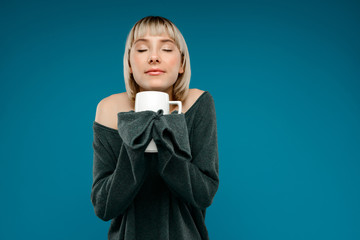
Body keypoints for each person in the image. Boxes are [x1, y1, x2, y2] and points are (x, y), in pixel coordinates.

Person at [91, 16, 219, 240]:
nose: (153, 57)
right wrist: (137, 140)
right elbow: (104, 206)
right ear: (130, 64)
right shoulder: (109, 108)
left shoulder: (199, 102)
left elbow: (203, 194)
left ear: (181, 64)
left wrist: (165, 136)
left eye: (167, 48)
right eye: (141, 49)